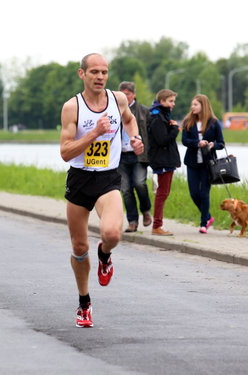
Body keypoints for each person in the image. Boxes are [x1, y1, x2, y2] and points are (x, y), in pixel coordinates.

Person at [60, 53, 144, 328]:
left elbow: (130, 119)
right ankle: (84, 303)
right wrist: (94, 134)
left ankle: (105, 255)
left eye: (104, 72)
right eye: (94, 71)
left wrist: (135, 136)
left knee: (111, 233)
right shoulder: (72, 107)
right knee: (79, 245)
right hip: (80, 180)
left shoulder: (118, 99)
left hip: (108, 178)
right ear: (81, 74)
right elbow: (65, 152)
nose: (100, 77)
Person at [181, 94, 225, 233]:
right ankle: (208, 216)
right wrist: (197, 143)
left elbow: (221, 143)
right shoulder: (188, 121)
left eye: (195, 104)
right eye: (192, 104)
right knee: (194, 193)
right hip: (192, 162)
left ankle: (203, 223)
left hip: (208, 163)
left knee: (205, 193)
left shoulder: (214, 123)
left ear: (203, 106)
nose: (192, 107)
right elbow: (184, 141)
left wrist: (212, 145)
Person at [118, 81, 152, 232]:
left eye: (128, 94)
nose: (125, 97)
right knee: (125, 189)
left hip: (139, 155)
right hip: (120, 156)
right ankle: (132, 221)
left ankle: (145, 210)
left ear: (134, 94)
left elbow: (152, 132)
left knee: (139, 183)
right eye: (123, 94)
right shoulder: (114, 111)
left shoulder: (143, 111)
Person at [147, 89, 181, 236]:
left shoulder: (162, 116)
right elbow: (162, 140)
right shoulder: (157, 118)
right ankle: (157, 226)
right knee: (162, 193)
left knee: (163, 193)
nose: (173, 104)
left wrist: (171, 126)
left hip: (165, 159)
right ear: (162, 102)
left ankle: (158, 224)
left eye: (174, 101)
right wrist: (175, 129)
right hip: (162, 160)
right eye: (170, 101)